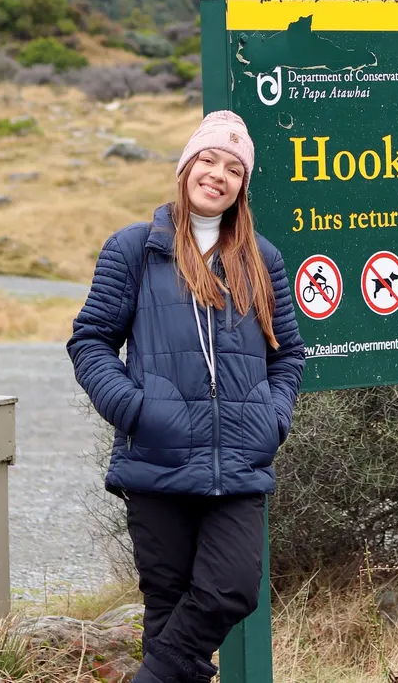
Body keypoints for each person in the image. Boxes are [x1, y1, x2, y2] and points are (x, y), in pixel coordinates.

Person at [68, 110, 304, 683]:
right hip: (158, 458)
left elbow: (288, 355)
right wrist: (136, 410)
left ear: (242, 186)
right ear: (185, 167)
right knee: (168, 607)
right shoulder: (134, 249)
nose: (218, 175)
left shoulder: (261, 259)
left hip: (239, 463)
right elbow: (91, 341)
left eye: (233, 169)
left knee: (231, 589)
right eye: (208, 160)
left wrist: (272, 418)